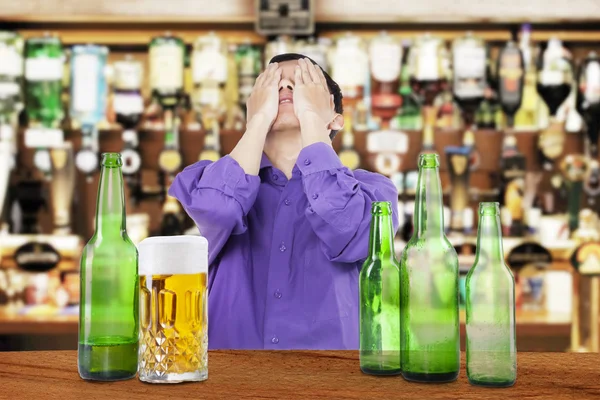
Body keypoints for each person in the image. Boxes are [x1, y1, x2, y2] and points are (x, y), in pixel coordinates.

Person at [169, 53, 399, 349]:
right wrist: (257, 123)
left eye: (304, 83)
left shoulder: (373, 192)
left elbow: (346, 225)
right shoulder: (207, 181)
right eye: (272, 84)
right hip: (230, 380)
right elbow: (219, 210)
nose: (286, 88)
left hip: (332, 381)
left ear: (336, 119)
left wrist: (313, 119)